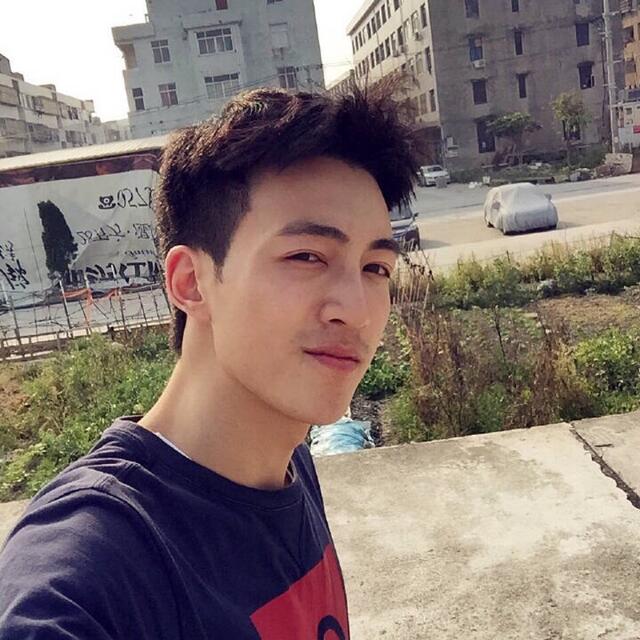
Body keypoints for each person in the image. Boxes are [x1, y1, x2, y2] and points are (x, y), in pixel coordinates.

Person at [0, 85, 420, 639]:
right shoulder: (100, 564)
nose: (358, 311)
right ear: (191, 282)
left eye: (375, 268)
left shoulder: (287, 462)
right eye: (306, 256)